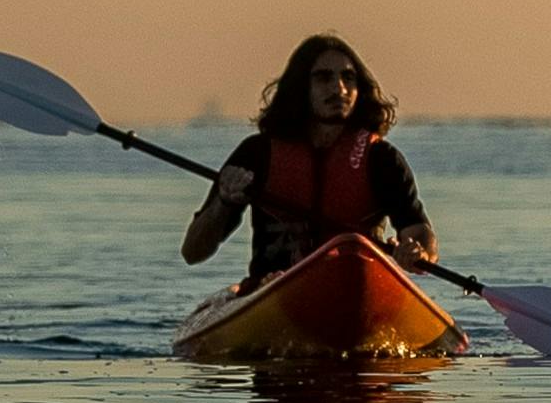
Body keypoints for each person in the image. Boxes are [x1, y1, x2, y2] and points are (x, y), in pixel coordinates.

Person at [181, 34, 439, 282]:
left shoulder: (383, 159)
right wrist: (223, 203)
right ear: (301, 88)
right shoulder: (257, 154)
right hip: (275, 288)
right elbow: (193, 252)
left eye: (348, 78)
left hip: (353, 285)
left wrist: (418, 253)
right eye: (323, 78)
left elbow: (418, 231)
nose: (339, 88)